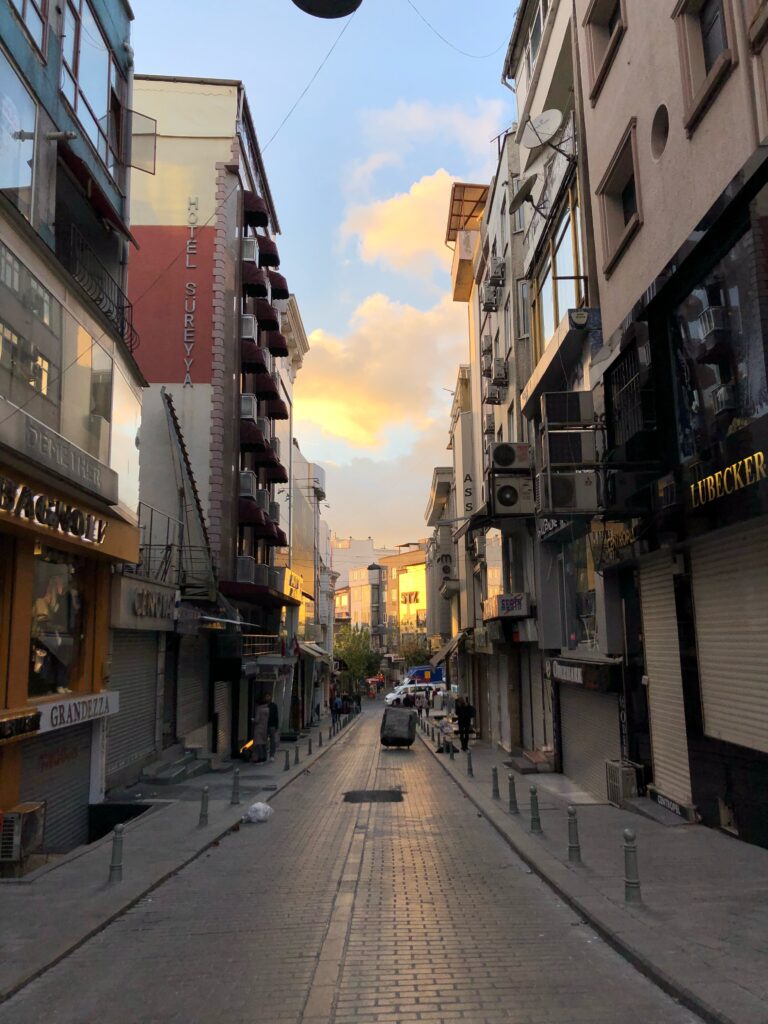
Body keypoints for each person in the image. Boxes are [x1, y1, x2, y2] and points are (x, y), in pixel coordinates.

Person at [252, 696, 270, 763]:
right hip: (265, 729)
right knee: (264, 744)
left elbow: (257, 720)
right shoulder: (267, 709)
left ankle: (259, 758)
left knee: (258, 744)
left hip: (258, 728)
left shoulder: (259, 709)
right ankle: (264, 757)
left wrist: (252, 720)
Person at [265, 692, 279, 762]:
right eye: (266, 696)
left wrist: (276, 726)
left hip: (272, 725)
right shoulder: (264, 706)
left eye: (268, 696)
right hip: (264, 726)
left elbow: (276, 716)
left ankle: (272, 755)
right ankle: (264, 755)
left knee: (272, 741)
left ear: (270, 697)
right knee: (264, 741)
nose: (267, 698)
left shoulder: (274, 706)